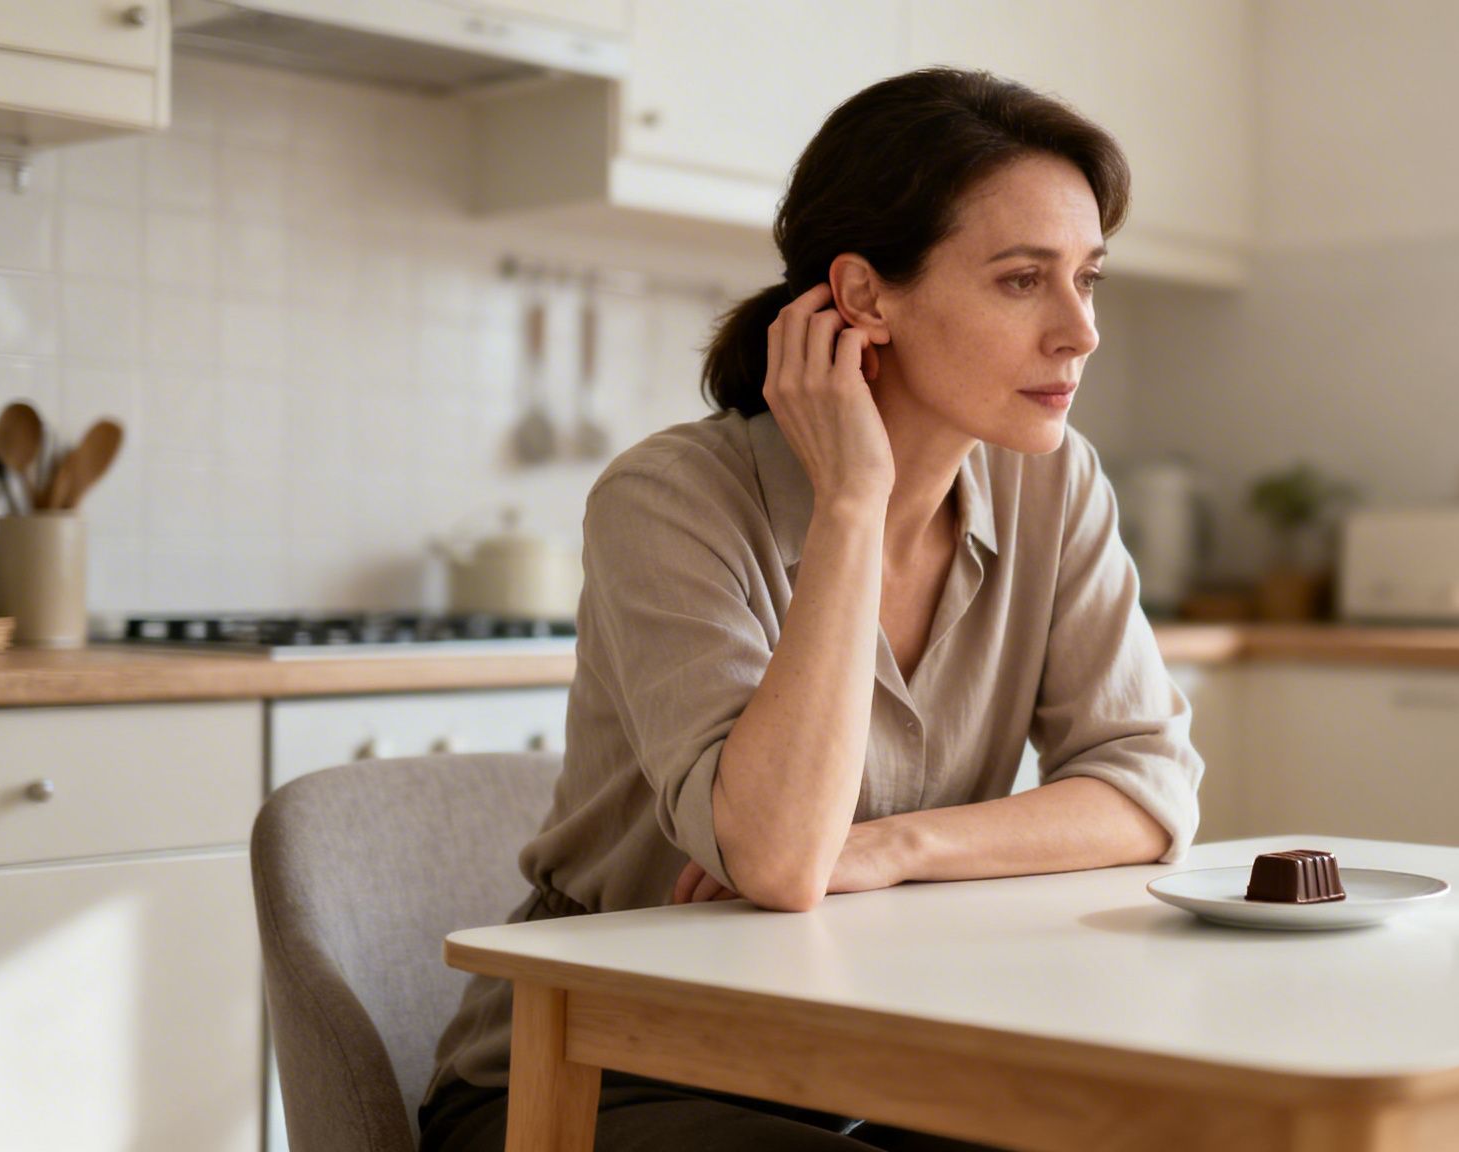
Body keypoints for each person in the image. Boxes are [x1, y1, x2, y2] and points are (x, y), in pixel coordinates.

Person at [417, 66, 1204, 1152]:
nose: (1080, 331)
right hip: (600, 1080)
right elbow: (781, 860)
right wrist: (850, 502)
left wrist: (892, 848)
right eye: (1023, 281)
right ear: (865, 296)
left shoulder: (1055, 484)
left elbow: (1148, 792)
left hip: (872, 1062)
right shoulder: (669, 499)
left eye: (1087, 278)